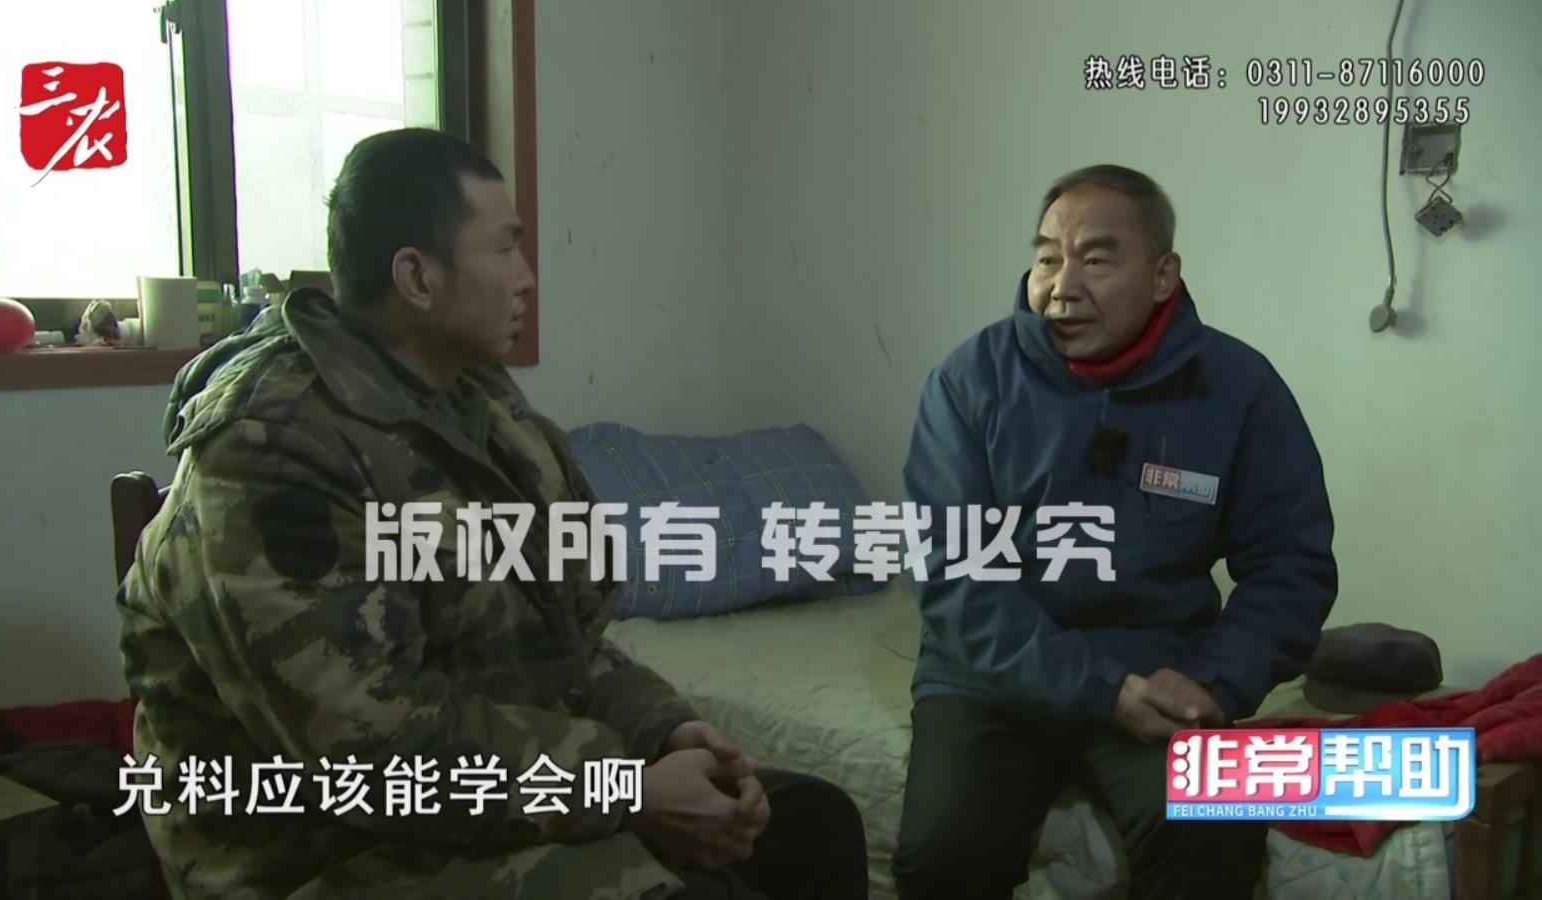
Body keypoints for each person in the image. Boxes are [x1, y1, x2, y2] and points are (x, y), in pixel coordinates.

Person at [117, 127, 868, 900]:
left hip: (487, 790)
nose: (527, 277)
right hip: (316, 843)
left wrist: (665, 729)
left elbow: (570, 637)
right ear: (417, 276)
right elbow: (368, 749)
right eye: (505, 248)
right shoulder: (269, 449)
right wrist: (626, 790)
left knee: (809, 826)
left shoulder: (482, 403)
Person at [890, 165, 1338, 899]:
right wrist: (1098, 688)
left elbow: (1292, 564)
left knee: (1214, 828)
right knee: (944, 853)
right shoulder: (970, 380)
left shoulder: (1238, 387)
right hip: (991, 680)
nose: (1061, 289)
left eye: (1096, 260)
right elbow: (952, 572)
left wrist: (1214, 679)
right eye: (1047, 259)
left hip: (1163, 670)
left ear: (1163, 276)